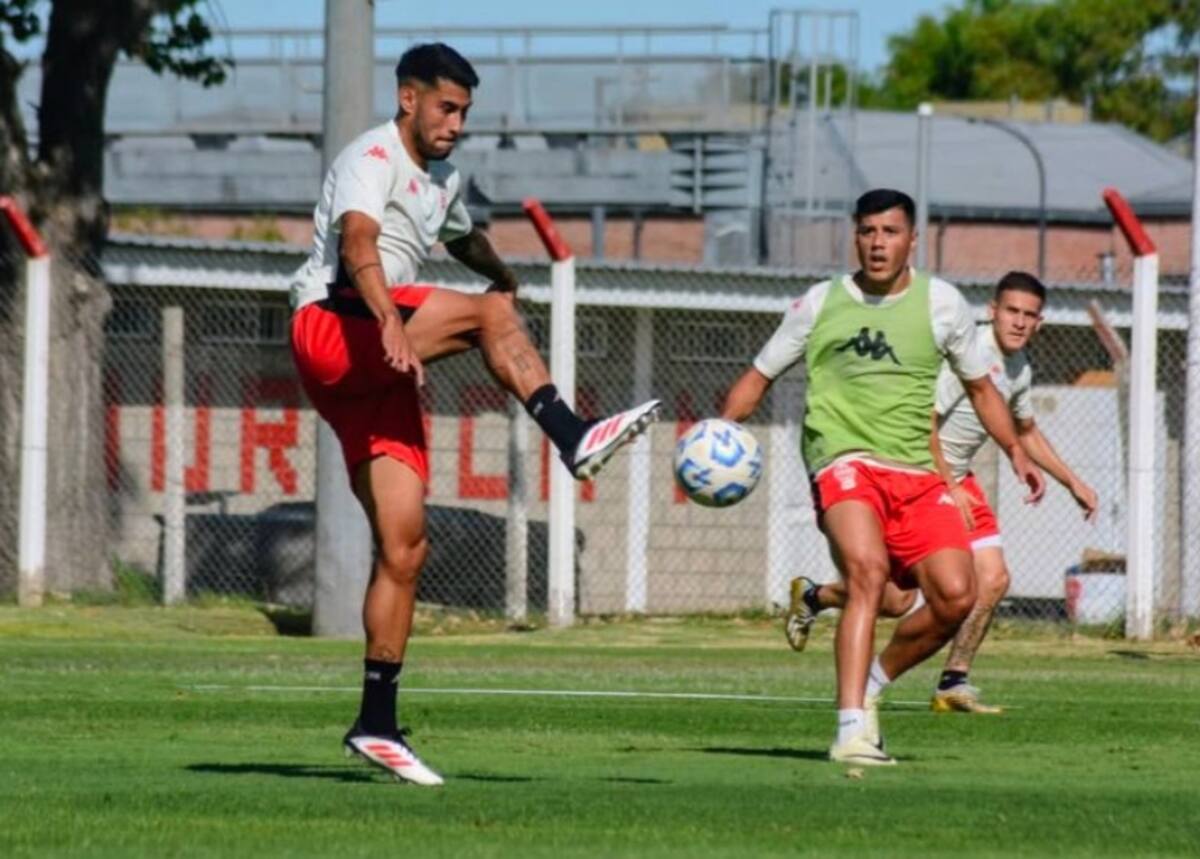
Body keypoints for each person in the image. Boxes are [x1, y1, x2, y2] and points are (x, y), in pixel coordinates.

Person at [289, 43, 660, 786]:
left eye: (464, 112)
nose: (455, 123)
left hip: (373, 366)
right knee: (491, 320)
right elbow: (359, 241)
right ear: (407, 99)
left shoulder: (443, 179)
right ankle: (573, 434)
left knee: (404, 546)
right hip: (336, 327)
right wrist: (393, 321)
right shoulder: (370, 153)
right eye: (445, 107)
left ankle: (377, 722)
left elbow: (461, 235)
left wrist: (502, 273)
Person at [722, 188, 1045, 766]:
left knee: (956, 595)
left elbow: (980, 389)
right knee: (869, 574)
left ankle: (870, 686)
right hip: (842, 461)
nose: (877, 243)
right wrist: (718, 432)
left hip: (916, 472)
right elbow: (759, 375)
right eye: (868, 231)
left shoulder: (942, 304)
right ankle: (850, 729)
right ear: (856, 236)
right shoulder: (819, 304)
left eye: (890, 232)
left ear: (911, 240)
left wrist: (1016, 450)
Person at [786, 271, 1097, 715]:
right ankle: (817, 598)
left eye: (1029, 315)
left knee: (992, 579)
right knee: (894, 601)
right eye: (1011, 311)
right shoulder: (971, 354)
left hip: (958, 480)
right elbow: (923, 422)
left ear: (1039, 322)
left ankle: (952, 680)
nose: (1019, 322)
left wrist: (1073, 482)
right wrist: (949, 484)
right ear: (992, 311)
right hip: (923, 476)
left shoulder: (1020, 367)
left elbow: (1025, 429)